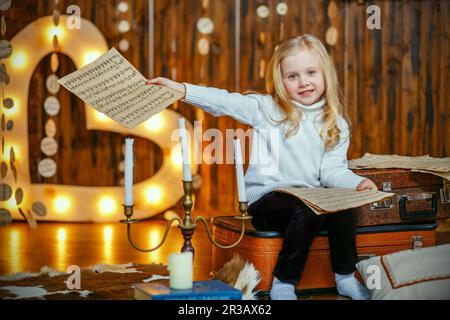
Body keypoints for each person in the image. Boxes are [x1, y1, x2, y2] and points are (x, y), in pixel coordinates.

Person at [146, 34, 376, 300]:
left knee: (342, 209)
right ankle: (283, 282)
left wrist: (357, 183)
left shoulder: (335, 123)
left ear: (325, 73)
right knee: (308, 210)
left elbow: (332, 171)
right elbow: (224, 101)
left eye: (311, 72)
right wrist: (182, 89)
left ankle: (345, 277)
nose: (303, 82)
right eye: (292, 76)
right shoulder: (267, 109)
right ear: (281, 80)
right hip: (268, 198)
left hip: (313, 200)